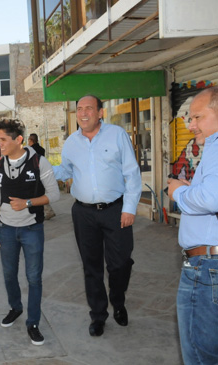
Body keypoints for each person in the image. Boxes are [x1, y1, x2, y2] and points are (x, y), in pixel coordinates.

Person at [53, 95, 141, 337]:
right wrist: (41, 168)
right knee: (91, 267)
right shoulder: (71, 142)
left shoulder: (117, 135)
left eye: (89, 109)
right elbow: (65, 170)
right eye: (79, 108)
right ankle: (98, 315)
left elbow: (132, 173)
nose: (83, 113)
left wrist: (129, 208)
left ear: (100, 113)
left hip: (115, 210)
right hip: (83, 213)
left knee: (120, 263)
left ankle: (118, 300)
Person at [0, 119, 60, 346]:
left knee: (33, 278)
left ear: (18, 140)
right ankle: (15, 308)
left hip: (32, 229)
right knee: (9, 274)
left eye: (3, 139)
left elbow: (55, 195)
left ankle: (33, 322)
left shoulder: (39, 162)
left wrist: (28, 202)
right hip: (7, 230)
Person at [167, 87, 218, 364]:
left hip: (207, 267)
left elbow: (211, 197)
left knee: (200, 355)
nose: (190, 125)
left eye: (198, 117)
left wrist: (178, 192)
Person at [28, 133, 56, 220]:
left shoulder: (30, 150)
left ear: (31, 140)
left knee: (36, 193)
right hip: (42, 173)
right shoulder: (41, 149)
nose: (28, 142)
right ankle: (48, 211)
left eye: (29, 140)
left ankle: (48, 211)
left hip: (33, 175)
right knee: (40, 192)